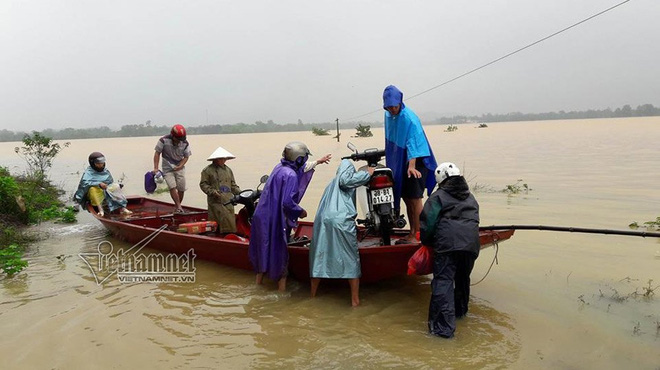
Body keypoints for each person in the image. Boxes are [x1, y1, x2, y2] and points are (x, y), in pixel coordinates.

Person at [420, 162, 480, 338]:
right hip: (471, 245)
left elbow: (427, 223)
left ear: (441, 180)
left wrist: (428, 242)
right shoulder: (471, 198)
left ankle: (443, 331)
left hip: (447, 245)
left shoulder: (437, 197)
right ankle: (461, 315)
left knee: (444, 282)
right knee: (462, 279)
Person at [248, 141, 316, 291]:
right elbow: (288, 202)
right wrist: (301, 211)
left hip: (262, 216)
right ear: (298, 158)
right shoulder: (290, 175)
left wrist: (318, 162)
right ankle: (281, 294)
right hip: (274, 219)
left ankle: (258, 286)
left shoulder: (279, 168)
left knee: (263, 251)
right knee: (280, 255)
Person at [309, 159, 374, 307]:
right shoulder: (346, 179)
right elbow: (346, 180)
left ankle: (312, 296)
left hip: (322, 222)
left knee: (319, 257)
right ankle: (355, 300)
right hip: (341, 221)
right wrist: (367, 173)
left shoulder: (329, 185)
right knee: (350, 259)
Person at [383, 85, 437, 244]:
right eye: (389, 106)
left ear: (400, 102)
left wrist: (411, 166)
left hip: (416, 163)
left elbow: (413, 142)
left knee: (415, 199)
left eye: (394, 105)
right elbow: (392, 141)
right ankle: (412, 232)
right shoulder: (389, 116)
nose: (392, 109)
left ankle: (419, 235)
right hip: (402, 162)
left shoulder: (408, 117)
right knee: (406, 197)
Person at [74, 152, 131, 216]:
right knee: (92, 189)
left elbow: (110, 182)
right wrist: (98, 184)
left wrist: (110, 186)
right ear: (92, 163)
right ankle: (100, 210)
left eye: (102, 163)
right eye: (98, 163)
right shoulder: (88, 172)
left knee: (116, 186)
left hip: (104, 190)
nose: (100, 165)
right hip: (95, 192)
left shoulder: (105, 171)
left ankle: (122, 208)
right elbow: (84, 183)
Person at [199, 146, 241, 234]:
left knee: (229, 225)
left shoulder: (228, 170)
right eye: (221, 159)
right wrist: (212, 192)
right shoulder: (207, 170)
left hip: (228, 201)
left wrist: (241, 193)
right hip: (215, 201)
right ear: (215, 159)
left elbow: (233, 185)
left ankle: (230, 237)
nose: (223, 160)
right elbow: (203, 184)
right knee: (215, 224)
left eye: (224, 158)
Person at [153, 124, 191, 213]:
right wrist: (156, 168)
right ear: (172, 136)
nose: (179, 142)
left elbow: (186, 157)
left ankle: (178, 206)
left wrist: (181, 165)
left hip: (179, 167)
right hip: (167, 168)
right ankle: (178, 206)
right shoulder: (163, 140)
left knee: (181, 188)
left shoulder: (185, 143)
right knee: (172, 186)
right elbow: (157, 153)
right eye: (177, 139)